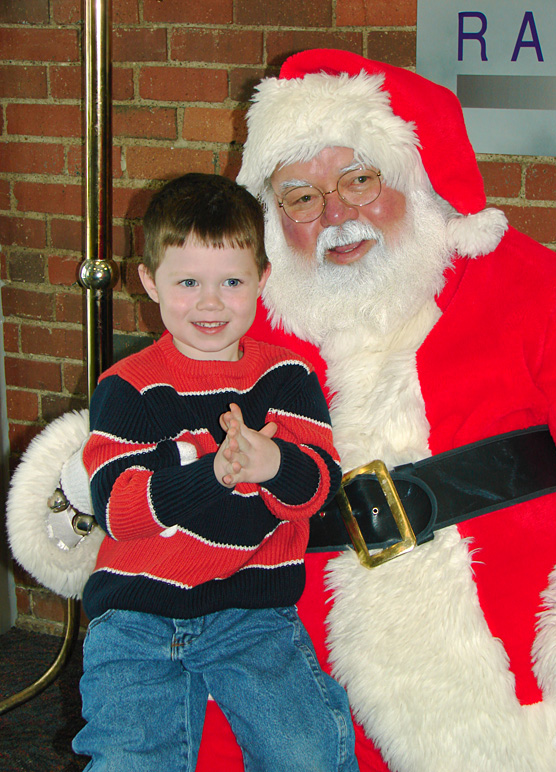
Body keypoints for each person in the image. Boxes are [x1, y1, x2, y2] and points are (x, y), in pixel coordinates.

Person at [231, 50, 556, 772]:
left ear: (414, 177)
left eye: (359, 180)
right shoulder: (247, 325)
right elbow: (159, 433)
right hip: (305, 648)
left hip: (507, 642)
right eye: (300, 197)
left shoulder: (535, 288)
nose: (335, 215)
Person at [70, 172, 358, 772]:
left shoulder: (287, 378)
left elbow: (319, 489)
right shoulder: (127, 387)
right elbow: (119, 512)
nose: (209, 302)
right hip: (135, 615)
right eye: (188, 282)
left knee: (308, 754)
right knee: (128, 759)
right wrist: (215, 475)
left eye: (231, 281)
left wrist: (272, 463)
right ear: (150, 281)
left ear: (261, 279)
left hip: (252, 615)